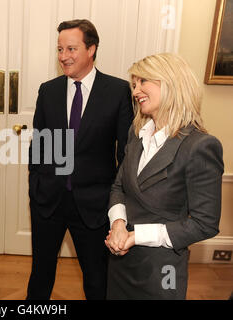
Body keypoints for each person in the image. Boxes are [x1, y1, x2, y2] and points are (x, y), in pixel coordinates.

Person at [27, 19, 133, 300]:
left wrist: (117, 203)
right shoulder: (47, 91)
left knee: (97, 279)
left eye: (71, 48)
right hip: (48, 201)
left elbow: (125, 153)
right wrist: (36, 187)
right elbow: (39, 146)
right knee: (40, 276)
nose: (63, 56)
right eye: (60, 49)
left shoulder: (117, 91)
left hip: (95, 205)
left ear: (91, 49)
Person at [105, 53, 224, 299]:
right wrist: (118, 224)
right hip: (121, 261)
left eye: (143, 82)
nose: (136, 91)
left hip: (162, 269)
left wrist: (137, 236)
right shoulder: (136, 132)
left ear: (171, 82)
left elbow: (205, 224)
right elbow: (119, 186)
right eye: (134, 84)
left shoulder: (200, 146)